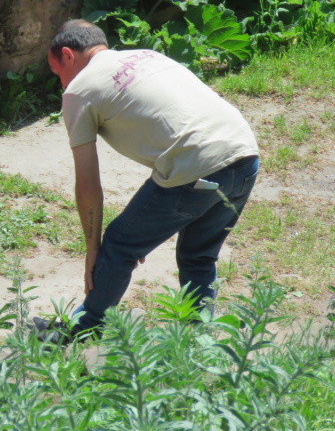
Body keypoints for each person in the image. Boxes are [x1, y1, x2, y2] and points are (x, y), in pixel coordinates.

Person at [47, 19, 259, 336]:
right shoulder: (148, 55)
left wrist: (93, 248)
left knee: (119, 244)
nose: (62, 83)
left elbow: (88, 184)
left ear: (67, 55)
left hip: (195, 165)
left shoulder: (80, 90)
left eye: (58, 74)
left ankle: (83, 329)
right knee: (199, 255)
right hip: (245, 155)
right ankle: (198, 339)